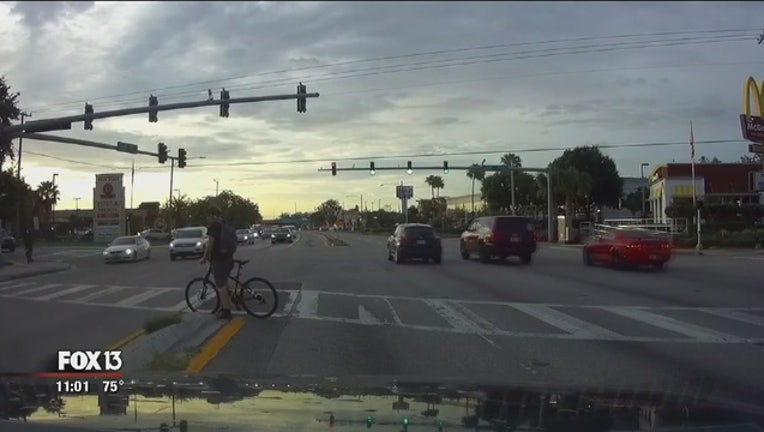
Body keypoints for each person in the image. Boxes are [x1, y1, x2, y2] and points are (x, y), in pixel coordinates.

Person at [200, 206, 235, 319]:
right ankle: (232, 300)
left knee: (220, 286)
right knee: (225, 281)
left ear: (212, 215)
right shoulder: (224, 224)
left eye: (208, 216)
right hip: (229, 257)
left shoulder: (214, 226)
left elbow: (210, 244)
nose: (207, 218)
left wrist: (204, 257)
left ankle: (226, 311)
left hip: (219, 259)